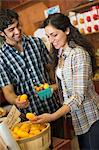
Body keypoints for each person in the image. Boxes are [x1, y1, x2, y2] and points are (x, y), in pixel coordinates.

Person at [32, 13, 99, 150]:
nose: (51, 40)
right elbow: (68, 81)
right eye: (48, 36)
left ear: (67, 30)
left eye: (54, 35)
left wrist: (52, 116)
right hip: (77, 118)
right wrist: (52, 88)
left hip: (90, 116)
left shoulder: (78, 54)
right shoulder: (62, 52)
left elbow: (78, 95)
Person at [0, 9, 64, 138]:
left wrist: (57, 86)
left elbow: (51, 68)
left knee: (62, 143)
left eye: (17, 26)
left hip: (53, 107)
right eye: (11, 30)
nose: (17, 31)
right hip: (31, 118)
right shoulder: (1, 58)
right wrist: (16, 101)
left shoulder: (36, 42)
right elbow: (8, 92)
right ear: (1, 33)